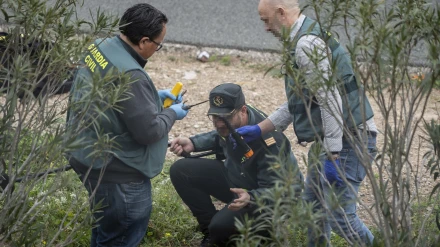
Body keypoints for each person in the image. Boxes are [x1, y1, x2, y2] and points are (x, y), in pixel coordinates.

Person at [236, 0, 378, 246]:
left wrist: (333, 152)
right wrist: (260, 129)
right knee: (313, 209)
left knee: (340, 216)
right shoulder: (304, 37)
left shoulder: (305, 44)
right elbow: (300, 101)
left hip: (348, 141)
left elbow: (329, 99)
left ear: (281, 13)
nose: (265, 28)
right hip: (331, 140)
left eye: (266, 20)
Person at [65, 3, 188, 246]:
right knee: (120, 235)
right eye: (158, 44)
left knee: (105, 228)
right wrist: (172, 113)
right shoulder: (131, 75)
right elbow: (149, 131)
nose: (157, 48)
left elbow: (112, 98)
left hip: (85, 153)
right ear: (143, 41)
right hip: (118, 173)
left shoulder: (99, 47)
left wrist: (152, 96)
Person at [169, 83, 303, 247]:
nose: (219, 123)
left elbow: (277, 189)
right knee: (181, 170)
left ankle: (265, 234)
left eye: (225, 118)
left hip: (271, 197)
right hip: (240, 179)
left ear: (243, 110)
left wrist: (251, 197)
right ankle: (211, 234)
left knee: (220, 226)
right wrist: (193, 143)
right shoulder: (235, 120)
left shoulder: (268, 142)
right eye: (215, 117)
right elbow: (222, 135)